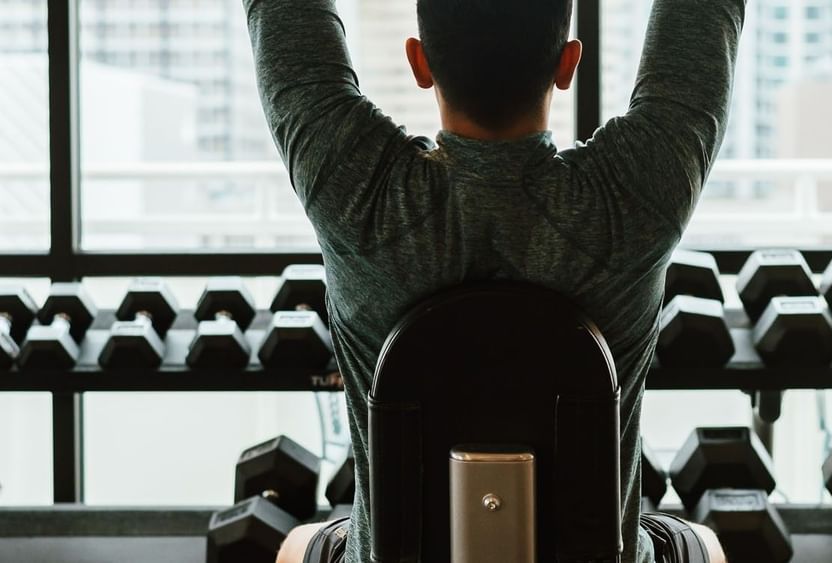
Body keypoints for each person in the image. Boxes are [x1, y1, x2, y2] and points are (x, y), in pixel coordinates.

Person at [242, 0, 744, 561]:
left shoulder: (358, 195)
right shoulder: (633, 199)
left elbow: (285, 23)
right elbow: (703, 24)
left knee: (296, 543)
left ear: (419, 62)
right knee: (706, 544)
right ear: (568, 63)